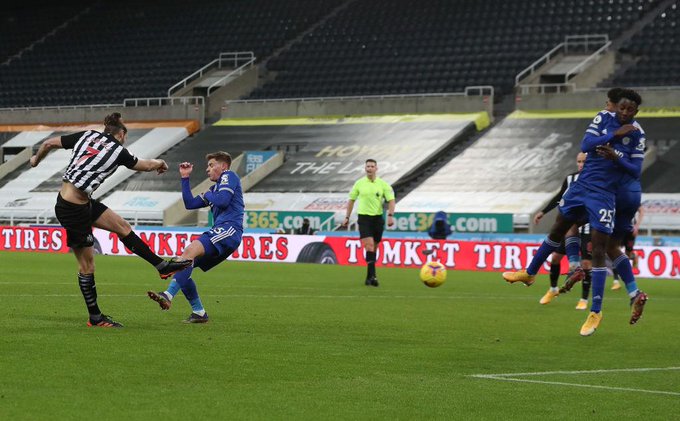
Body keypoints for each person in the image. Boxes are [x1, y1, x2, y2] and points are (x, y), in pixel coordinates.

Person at [29, 112, 192, 328]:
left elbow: (49, 142)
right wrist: (161, 162)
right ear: (121, 134)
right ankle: (95, 318)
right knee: (87, 266)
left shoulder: (87, 135)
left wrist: (35, 159)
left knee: (121, 226)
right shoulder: (118, 151)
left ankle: (161, 265)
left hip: (80, 201)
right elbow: (144, 165)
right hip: (72, 210)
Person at [503, 89, 645, 336]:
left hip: (604, 195)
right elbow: (586, 145)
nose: (624, 113)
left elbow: (635, 170)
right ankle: (530, 273)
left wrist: (616, 156)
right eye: (621, 108)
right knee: (558, 228)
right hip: (582, 187)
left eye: (629, 110)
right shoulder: (604, 118)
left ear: (636, 111)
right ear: (616, 107)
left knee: (599, 250)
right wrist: (613, 134)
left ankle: (596, 311)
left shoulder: (638, 134)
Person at [147, 151, 244, 323]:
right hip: (223, 233)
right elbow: (189, 203)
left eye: (211, 165)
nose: (208, 169)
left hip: (229, 230)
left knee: (189, 251)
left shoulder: (229, 176)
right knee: (185, 264)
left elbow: (222, 201)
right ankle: (199, 312)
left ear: (223, 166)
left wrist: (207, 195)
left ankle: (168, 294)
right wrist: (185, 178)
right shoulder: (215, 189)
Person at [533, 152, 592, 308]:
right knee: (556, 258)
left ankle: (584, 300)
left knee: (586, 264)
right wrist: (543, 212)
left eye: (584, 161)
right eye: (578, 161)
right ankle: (553, 289)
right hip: (569, 227)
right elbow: (559, 197)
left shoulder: (596, 179)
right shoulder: (570, 179)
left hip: (587, 228)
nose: (581, 164)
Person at [341, 159, 395, 287]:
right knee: (369, 246)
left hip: (377, 219)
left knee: (374, 249)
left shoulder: (383, 184)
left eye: (372, 166)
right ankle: (373, 277)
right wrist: (347, 217)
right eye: (367, 166)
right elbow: (351, 201)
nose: (369, 168)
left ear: (376, 168)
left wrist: (390, 215)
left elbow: (391, 200)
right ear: (365, 168)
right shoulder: (359, 184)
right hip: (364, 218)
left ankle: (369, 277)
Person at [611, 205, 644, 290]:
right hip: (618, 229)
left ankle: (634, 256)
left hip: (630, 231)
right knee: (614, 250)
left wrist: (637, 226)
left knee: (628, 254)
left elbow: (641, 210)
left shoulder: (630, 196)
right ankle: (616, 281)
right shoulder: (614, 196)